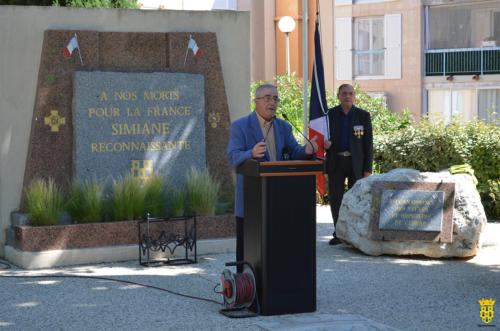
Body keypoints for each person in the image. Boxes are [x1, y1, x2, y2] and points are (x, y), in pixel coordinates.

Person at [227, 84, 318, 269]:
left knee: (276, 246)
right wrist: (250, 153)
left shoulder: (284, 126)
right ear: (256, 101)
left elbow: (294, 152)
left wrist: (307, 151)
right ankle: (246, 286)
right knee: (247, 247)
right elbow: (232, 156)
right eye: (268, 98)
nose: (272, 102)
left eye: (275, 98)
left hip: (279, 198)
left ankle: (275, 283)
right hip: (251, 199)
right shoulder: (240, 126)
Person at [325, 84, 373, 245]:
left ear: (354, 96)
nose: (347, 96)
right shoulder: (329, 115)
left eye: (350, 94)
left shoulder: (363, 116)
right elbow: (322, 136)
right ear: (338, 96)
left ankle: (353, 233)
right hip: (336, 162)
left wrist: (367, 169)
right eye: (344, 93)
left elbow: (368, 145)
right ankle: (338, 233)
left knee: (356, 200)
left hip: (356, 164)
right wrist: (325, 144)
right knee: (336, 198)